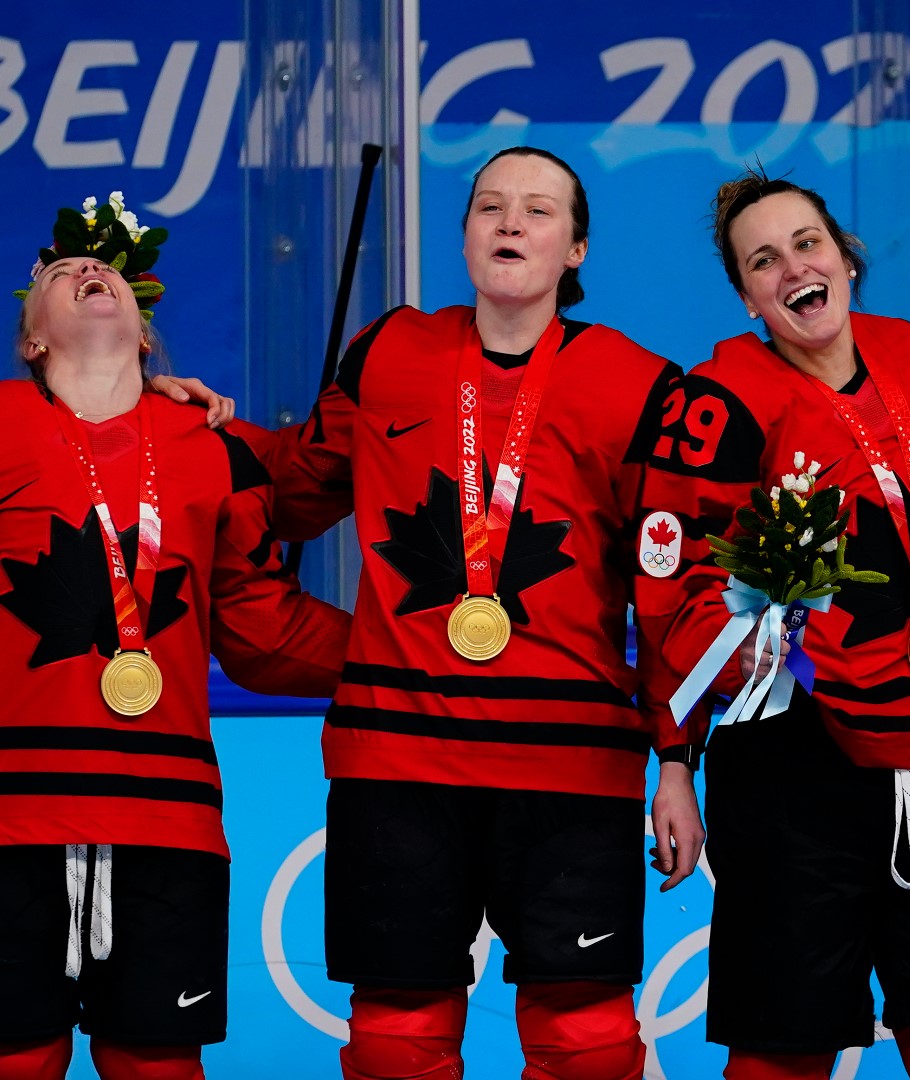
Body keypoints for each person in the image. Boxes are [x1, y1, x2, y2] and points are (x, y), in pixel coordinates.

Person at [249, 147, 704, 1080]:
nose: (510, 223)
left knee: (588, 1041)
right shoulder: (388, 351)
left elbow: (672, 592)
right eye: (490, 206)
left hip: (573, 763)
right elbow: (293, 495)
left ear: (576, 249)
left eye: (539, 212)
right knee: (397, 1034)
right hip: (401, 753)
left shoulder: (642, 383)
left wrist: (675, 758)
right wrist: (193, 431)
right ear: (461, 236)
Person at [646, 170, 910, 1080]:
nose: (793, 269)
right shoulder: (717, 403)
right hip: (795, 751)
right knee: (786, 1043)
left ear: (847, 260)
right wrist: (673, 757)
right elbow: (674, 590)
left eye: (807, 244)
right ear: (746, 296)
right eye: (764, 261)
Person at [0, 200, 349, 1080]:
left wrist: (395, 651)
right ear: (31, 342)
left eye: (107, 271)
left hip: (169, 818)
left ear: (149, 339)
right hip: (13, 815)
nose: (88, 273)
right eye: (57, 275)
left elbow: (260, 625)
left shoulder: (211, 446)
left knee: (157, 1068)